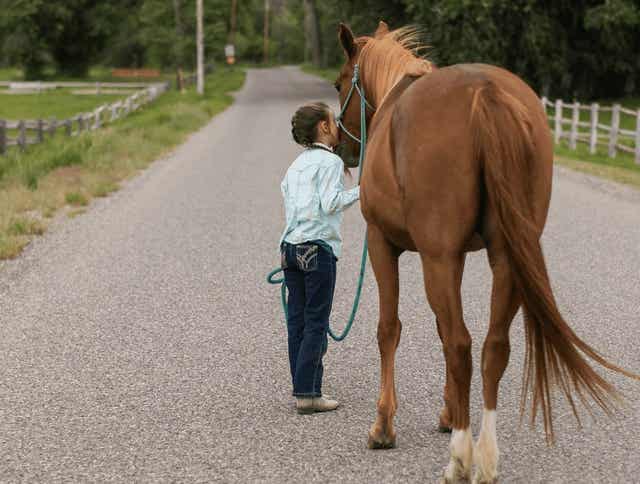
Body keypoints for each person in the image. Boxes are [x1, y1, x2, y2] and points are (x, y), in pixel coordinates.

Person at [279, 101, 360, 414]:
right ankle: (309, 393)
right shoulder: (330, 163)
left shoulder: (295, 165)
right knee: (316, 321)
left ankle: (302, 386)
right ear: (325, 128)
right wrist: (365, 189)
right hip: (318, 249)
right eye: (334, 122)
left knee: (297, 320)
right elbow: (330, 204)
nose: (338, 127)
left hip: (290, 247)